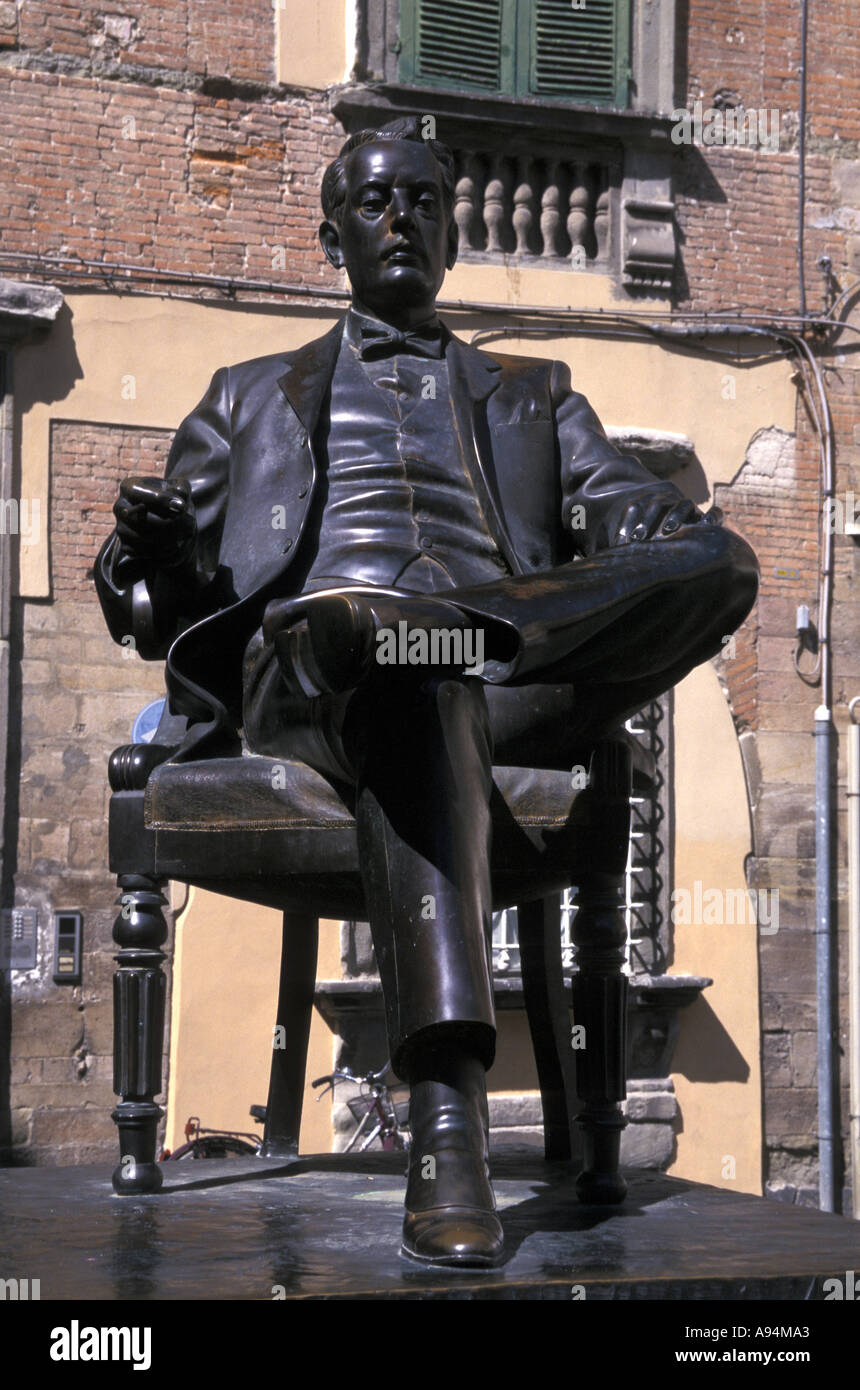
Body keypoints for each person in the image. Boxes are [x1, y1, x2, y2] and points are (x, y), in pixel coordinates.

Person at [95, 118, 759, 1269]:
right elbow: (160, 590)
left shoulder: (536, 394)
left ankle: (462, 630)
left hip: (498, 674)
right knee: (389, 657)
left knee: (718, 560)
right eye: (372, 201)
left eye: (419, 200)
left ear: (450, 229)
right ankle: (446, 1123)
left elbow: (626, 515)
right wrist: (145, 550)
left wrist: (645, 531)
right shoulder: (247, 394)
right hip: (317, 679)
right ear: (331, 233)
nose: (398, 217)